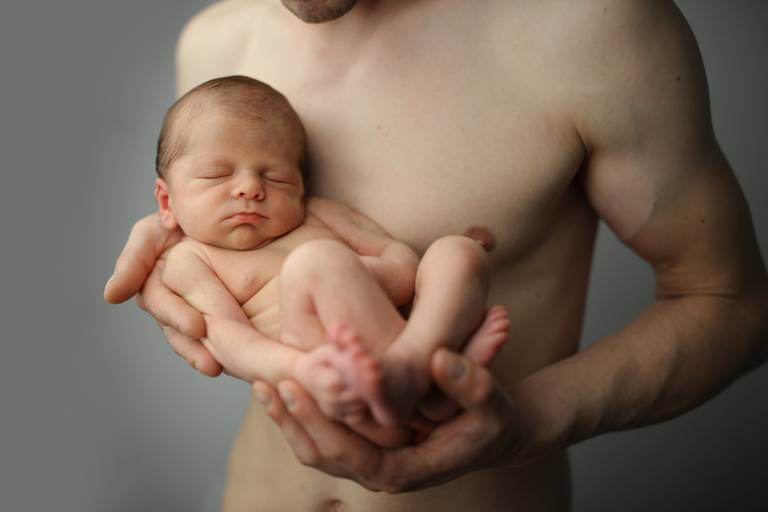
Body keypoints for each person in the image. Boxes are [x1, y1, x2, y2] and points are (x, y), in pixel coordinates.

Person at [104, 1, 768, 510]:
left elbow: (732, 302)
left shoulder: (589, 27)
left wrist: (528, 419)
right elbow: (218, 232)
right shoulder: (218, 40)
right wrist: (169, 250)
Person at [149, 74, 509, 443]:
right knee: (314, 261)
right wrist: (301, 370)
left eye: (277, 178)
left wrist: (365, 275)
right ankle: (416, 386)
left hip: (407, 334)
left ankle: (421, 362)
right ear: (166, 201)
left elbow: (400, 259)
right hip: (336, 383)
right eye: (217, 175)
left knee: (456, 252)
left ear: (302, 187)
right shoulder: (190, 259)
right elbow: (230, 341)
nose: (251, 188)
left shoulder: (317, 214)